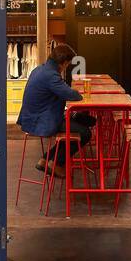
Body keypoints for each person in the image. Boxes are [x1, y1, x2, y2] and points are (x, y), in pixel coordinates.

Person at [17, 41, 95, 171]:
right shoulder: (51, 75)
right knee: (85, 133)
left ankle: (45, 159)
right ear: (63, 62)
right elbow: (72, 95)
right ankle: (57, 163)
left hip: (32, 118)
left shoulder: (39, 69)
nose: (67, 66)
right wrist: (76, 92)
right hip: (42, 121)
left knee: (81, 122)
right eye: (68, 64)